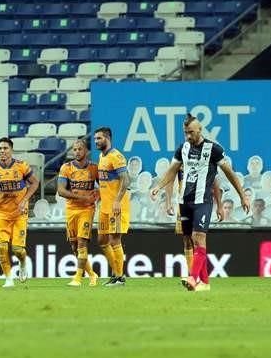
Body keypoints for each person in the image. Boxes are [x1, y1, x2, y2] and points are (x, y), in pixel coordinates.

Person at [151, 114, 250, 292]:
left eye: (191, 132)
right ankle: (204, 283)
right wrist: (158, 187)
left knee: (199, 238)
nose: (188, 136)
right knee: (190, 240)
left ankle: (193, 277)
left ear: (199, 130)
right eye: (185, 133)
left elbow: (229, 173)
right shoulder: (182, 148)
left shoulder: (214, 149)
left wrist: (242, 195)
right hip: (184, 201)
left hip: (202, 201)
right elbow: (172, 170)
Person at [0, 137, 39, 288]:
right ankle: (8, 279)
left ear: (11, 150)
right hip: (1, 212)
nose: (2, 151)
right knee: (2, 247)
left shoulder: (21, 166)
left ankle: (23, 263)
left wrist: (25, 199)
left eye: (5, 148)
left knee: (18, 249)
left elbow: (35, 182)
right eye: (0, 148)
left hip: (19, 212)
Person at [57, 139, 100, 287]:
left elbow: (105, 186)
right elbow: (61, 190)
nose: (76, 152)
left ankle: (77, 278)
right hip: (71, 209)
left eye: (80, 149)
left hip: (87, 209)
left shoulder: (94, 168)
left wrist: (98, 194)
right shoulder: (66, 168)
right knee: (74, 246)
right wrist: (82, 197)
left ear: (86, 151)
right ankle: (93, 275)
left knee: (82, 242)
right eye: (74, 149)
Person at [94, 127, 130, 286]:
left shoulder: (116, 156)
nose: (96, 141)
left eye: (99, 138)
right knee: (102, 240)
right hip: (105, 206)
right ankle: (116, 273)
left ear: (107, 138)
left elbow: (126, 180)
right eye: (95, 139)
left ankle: (119, 277)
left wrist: (117, 200)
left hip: (117, 206)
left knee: (114, 240)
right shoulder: (101, 156)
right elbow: (106, 181)